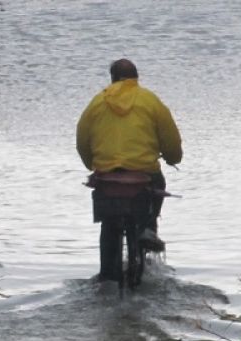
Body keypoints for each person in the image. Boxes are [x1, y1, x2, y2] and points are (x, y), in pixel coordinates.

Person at [76, 59, 182, 279]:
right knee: (159, 182)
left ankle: (106, 275)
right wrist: (173, 157)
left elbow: (82, 139)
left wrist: (93, 165)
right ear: (136, 78)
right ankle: (148, 229)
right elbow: (171, 140)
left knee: (108, 226)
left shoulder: (97, 102)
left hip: (107, 178)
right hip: (143, 176)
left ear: (112, 78)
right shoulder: (151, 101)